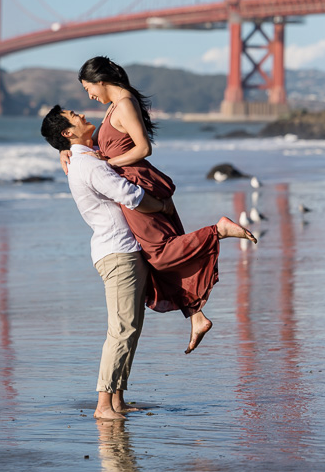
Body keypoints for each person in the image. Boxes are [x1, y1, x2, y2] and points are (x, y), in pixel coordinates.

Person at [66, 55, 256, 355]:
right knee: (154, 255)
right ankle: (196, 317)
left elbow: (143, 148)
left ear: (101, 81)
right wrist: (68, 152)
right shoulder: (115, 107)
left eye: (88, 88)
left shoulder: (124, 104)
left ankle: (217, 230)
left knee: (160, 253)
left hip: (138, 186)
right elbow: (105, 147)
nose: (88, 95)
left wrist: (108, 164)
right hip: (131, 183)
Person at [41, 105, 175, 421]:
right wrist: (162, 207)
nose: (82, 114)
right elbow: (129, 194)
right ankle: (104, 405)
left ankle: (117, 399)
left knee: (131, 327)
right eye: (74, 116)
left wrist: (64, 151)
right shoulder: (89, 165)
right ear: (67, 133)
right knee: (122, 328)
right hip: (118, 253)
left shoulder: (86, 157)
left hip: (124, 250)